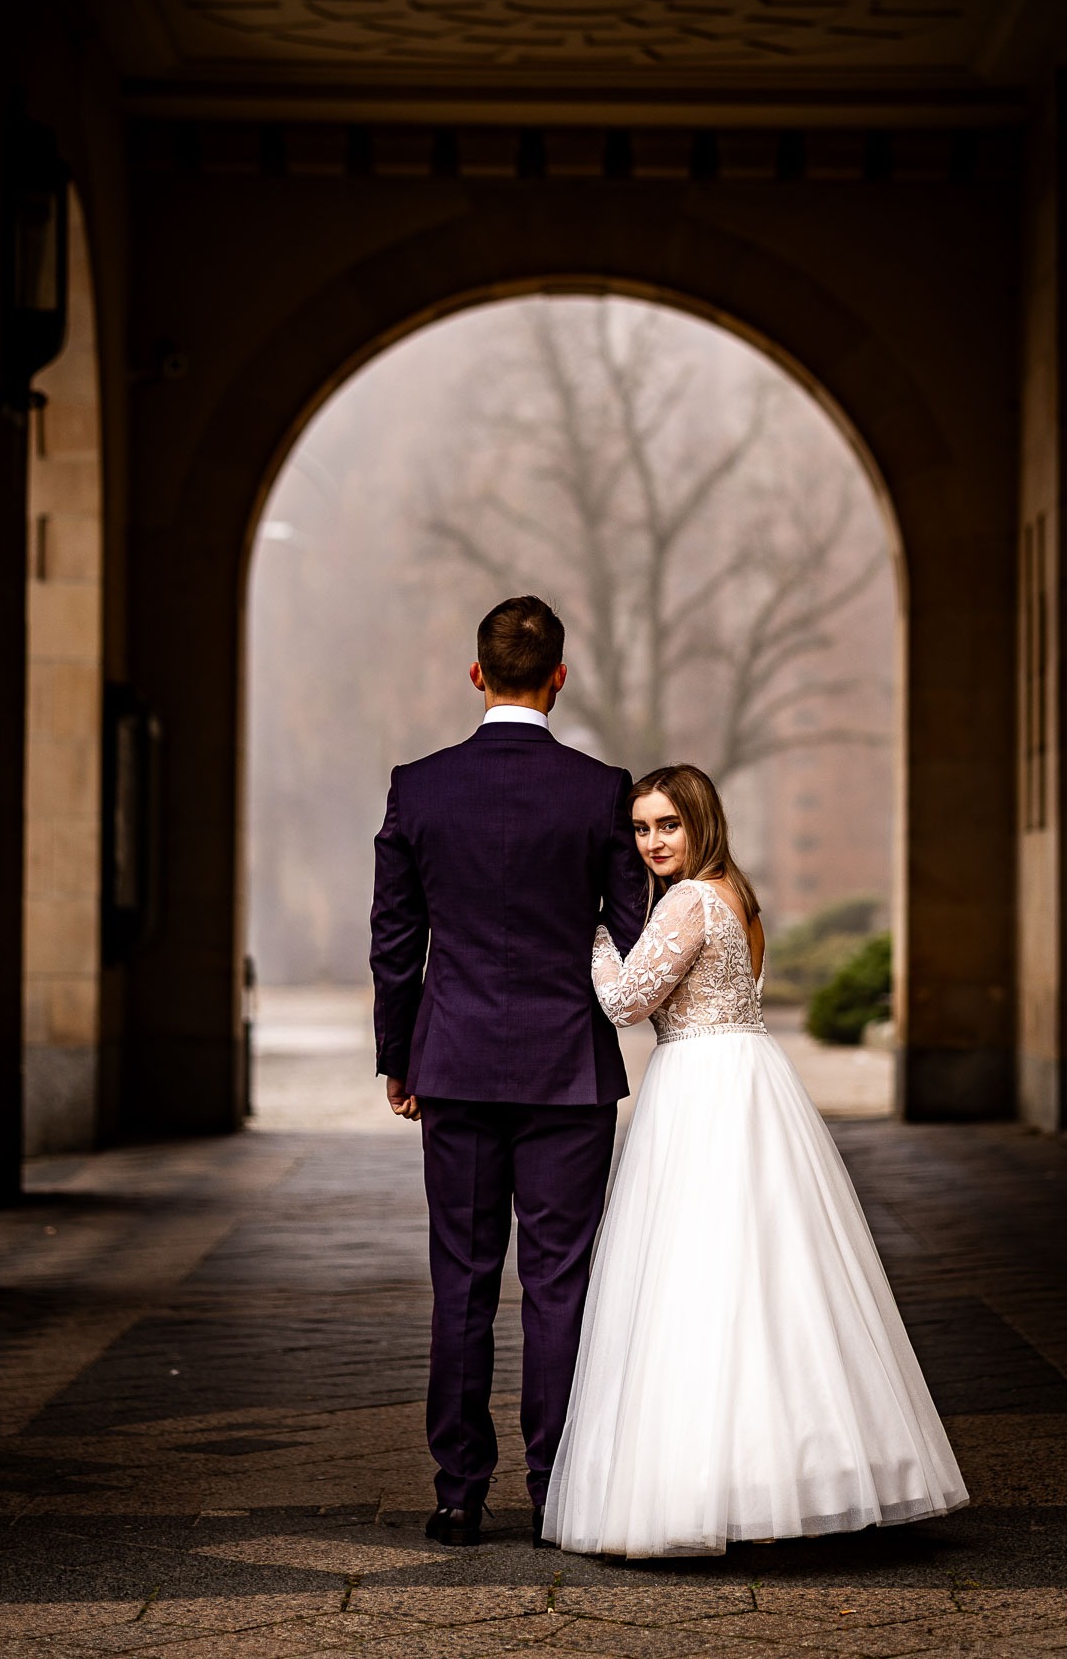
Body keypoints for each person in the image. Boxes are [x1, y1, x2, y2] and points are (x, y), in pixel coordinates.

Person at [543, 763, 968, 1559]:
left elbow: (627, 1001)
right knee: (772, 1273)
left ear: (701, 821)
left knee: (699, 1273)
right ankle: (797, 1475)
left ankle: (715, 1481)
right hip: (750, 1076)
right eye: (641, 827)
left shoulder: (690, 899)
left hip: (702, 1088)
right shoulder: (741, 894)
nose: (652, 841)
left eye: (667, 823)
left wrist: (598, 940)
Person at [370, 595, 649, 1547]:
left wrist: (398, 1055)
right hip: (568, 1067)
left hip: (452, 1061)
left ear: (477, 673)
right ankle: (555, 1484)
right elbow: (631, 931)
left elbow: (395, 939)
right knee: (559, 1283)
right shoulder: (600, 789)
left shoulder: (420, 788)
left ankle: (458, 1491)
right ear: (559, 676)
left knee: (462, 1278)